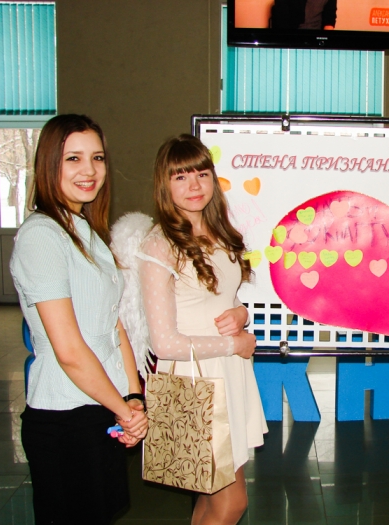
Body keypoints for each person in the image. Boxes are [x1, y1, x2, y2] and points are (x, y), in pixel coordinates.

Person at [10, 114, 148, 525]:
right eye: (73, 158)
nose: (89, 170)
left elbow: (114, 324)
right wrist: (124, 412)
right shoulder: (42, 235)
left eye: (97, 158)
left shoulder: (84, 228)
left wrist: (133, 396)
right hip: (65, 416)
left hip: (100, 406)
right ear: (49, 163)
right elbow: (68, 350)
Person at [139, 134, 267, 525]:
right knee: (232, 503)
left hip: (227, 372)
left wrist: (242, 314)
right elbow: (164, 343)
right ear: (164, 184)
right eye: (180, 176)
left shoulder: (221, 233)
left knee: (210, 496)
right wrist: (236, 344)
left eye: (201, 173)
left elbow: (224, 298)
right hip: (195, 379)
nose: (194, 185)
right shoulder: (159, 245)